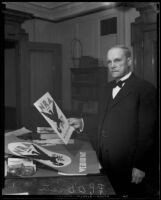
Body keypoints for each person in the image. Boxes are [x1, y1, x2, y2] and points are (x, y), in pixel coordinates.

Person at [68, 45, 158, 197]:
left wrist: (140, 166)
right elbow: (103, 117)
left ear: (129, 61)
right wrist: (82, 122)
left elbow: (148, 132)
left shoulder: (145, 89)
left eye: (117, 60)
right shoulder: (106, 88)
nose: (113, 65)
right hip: (105, 159)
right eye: (109, 62)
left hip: (129, 164)